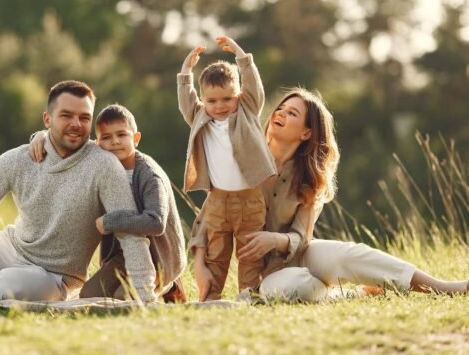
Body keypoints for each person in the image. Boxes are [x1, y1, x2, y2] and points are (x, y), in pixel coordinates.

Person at [190, 87, 469, 301]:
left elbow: (302, 238)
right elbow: (210, 215)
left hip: (298, 253)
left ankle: (442, 287)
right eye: (281, 109)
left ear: (306, 133)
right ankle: (347, 295)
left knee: (348, 255)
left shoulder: (311, 177)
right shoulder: (241, 160)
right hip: (262, 274)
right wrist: (200, 264)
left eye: (292, 113)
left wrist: (275, 239)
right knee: (288, 287)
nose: (279, 114)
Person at [0, 80, 157, 303]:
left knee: (2, 289)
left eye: (84, 117)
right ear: (47, 119)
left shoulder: (104, 165)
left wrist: (147, 299)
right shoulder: (19, 158)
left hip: (52, 276)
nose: (76, 124)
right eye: (66, 115)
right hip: (10, 247)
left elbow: (130, 234)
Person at [29, 104, 188, 302]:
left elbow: (156, 222)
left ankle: (168, 285)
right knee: (89, 295)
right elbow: (70, 146)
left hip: (157, 257)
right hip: (121, 256)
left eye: (122, 135)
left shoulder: (149, 175)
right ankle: (139, 285)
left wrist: (110, 221)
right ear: (97, 144)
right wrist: (41, 136)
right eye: (106, 137)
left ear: (135, 139)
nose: (114, 142)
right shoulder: (102, 167)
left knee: (124, 298)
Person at [177, 36, 277, 300]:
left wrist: (242, 57)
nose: (219, 106)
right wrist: (186, 72)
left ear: (239, 96)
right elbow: (186, 101)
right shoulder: (200, 117)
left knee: (250, 251)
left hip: (251, 199)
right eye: (211, 101)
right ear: (203, 100)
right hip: (218, 200)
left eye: (226, 98)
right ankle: (212, 297)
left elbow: (254, 87)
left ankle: (248, 293)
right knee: (216, 252)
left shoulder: (247, 110)